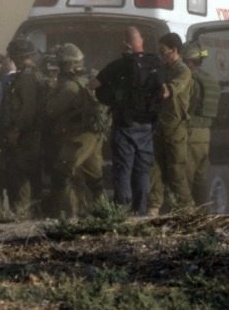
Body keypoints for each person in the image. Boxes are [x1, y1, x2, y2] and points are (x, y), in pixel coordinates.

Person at [91, 26, 164, 216]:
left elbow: (93, 85)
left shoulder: (118, 66)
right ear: (141, 41)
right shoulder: (155, 63)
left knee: (123, 168)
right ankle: (140, 211)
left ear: (125, 43)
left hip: (124, 124)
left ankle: (121, 211)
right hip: (147, 125)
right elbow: (163, 91)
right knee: (142, 169)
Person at [45, 43, 106, 217]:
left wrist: (51, 89)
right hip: (93, 135)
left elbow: (51, 110)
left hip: (78, 137)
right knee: (94, 177)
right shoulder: (87, 80)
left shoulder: (69, 87)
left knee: (62, 173)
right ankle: (102, 212)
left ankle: (65, 214)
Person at [148, 32, 193, 216]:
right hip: (160, 125)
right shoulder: (162, 69)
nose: (160, 55)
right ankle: (153, 207)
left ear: (174, 50)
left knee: (176, 172)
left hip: (175, 128)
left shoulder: (183, 71)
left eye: (163, 51)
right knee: (155, 170)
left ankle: (187, 209)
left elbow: (169, 91)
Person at [0, 38, 44, 218]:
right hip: (31, 134)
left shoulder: (26, 77)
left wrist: (16, 129)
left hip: (26, 135)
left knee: (21, 175)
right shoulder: (34, 74)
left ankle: (24, 214)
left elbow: (27, 108)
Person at [181, 40, 221, 207]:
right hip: (206, 135)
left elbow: (184, 107)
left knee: (185, 179)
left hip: (191, 133)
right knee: (201, 180)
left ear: (189, 60)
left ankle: (186, 215)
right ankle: (203, 216)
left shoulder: (190, 80)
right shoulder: (210, 80)